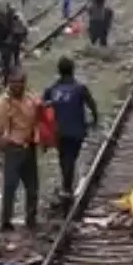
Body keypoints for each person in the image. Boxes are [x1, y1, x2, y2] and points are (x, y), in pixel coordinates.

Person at [41, 57, 99, 205]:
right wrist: (95, 120)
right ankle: (67, 187)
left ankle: (66, 186)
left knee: (64, 157)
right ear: (73, 69)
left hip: (58, 131)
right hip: (76, 130)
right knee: (71, 157)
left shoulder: (52, 89)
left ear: (58, 70)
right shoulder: (80, 88)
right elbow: (91, 105)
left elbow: (41, 108)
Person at [0, 70, 40, 232]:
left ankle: (31, 218)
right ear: (8, 84)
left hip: (30, 146)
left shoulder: (30, 100)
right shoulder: (2, 104)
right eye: (13, 82)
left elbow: (37, 118)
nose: (16, 86)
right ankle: (6, 221)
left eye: (19, 82)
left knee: (32, 187)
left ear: (24, 83)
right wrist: (2, 147)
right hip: (13, 148)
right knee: (10, 186)